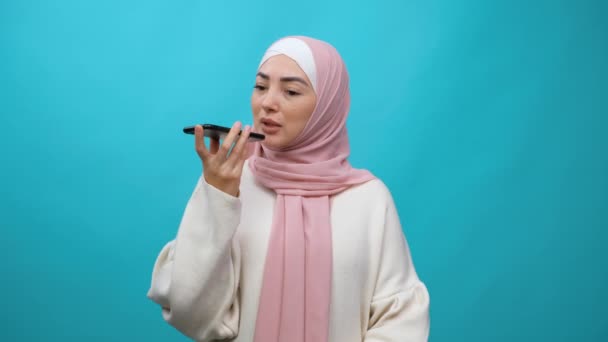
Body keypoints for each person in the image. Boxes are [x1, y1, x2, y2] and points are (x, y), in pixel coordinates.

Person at [147, 35, 430, 342]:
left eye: (291, 91)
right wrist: (218, 198)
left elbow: (401, 319)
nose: (268, 102)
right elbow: (190, 308)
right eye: (261, 86)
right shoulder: (232, 185)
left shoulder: (369, 200)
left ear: (327, 106)